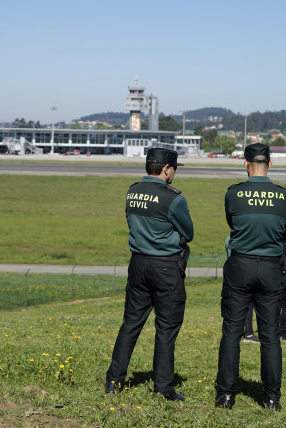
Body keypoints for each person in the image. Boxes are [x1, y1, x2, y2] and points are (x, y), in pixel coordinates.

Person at [105, 147, 194, 401]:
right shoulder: (173, 197)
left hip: (137, 264)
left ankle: (114, 380)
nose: (174, 174)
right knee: (166, 327)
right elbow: (188, 232)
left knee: (130, 323)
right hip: (165, 267)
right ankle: (163, 387)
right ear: (166, 169)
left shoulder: (132, 191)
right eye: (174, 169)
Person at [215, 143, 286, 411]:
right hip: (271, 267)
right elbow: (285, 231)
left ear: (245, 163)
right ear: (270, 164)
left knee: (232, 332)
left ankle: (225, 395)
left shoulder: (234, 194)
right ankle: (271, 397)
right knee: (270, 336)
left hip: (240, 264)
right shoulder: (284, 196)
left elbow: (231, 223)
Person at [242, 222, 286, 342]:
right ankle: (282, 332)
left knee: (274, 306)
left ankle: (271, 330)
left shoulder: (275, 241)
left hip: (275, 278)